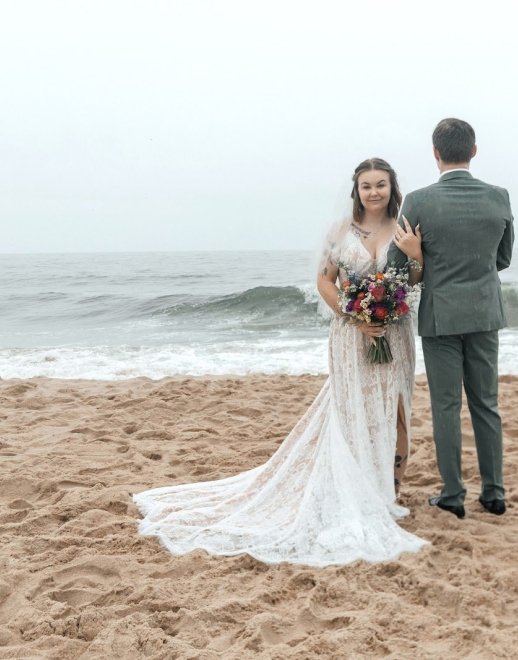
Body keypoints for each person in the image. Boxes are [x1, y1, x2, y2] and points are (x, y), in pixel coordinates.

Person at [133, 158, 427, 566]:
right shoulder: (340, 232)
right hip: (351, 334)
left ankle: (389, 493)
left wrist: (414, 256)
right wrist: (353, 316)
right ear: (356, 191)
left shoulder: (403, 228)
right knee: (351, 411)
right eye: (366, 186)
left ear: (392, 187)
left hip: (395, 333)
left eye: (381, 184)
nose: (374, 192)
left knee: (395, 409)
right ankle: (358, 489)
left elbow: (413, 280)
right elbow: (325, 280)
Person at [389, 118, 514, 520]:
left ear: (435, 153)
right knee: (486, 404)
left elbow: (398, 266)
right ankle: (494, 494)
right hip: (484, 311)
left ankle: (453, 493)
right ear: (474, 151)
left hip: (441, 315)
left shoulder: (419, 202)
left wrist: (423, 258)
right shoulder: (499, 197)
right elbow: (503, 259)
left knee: (446, 406)